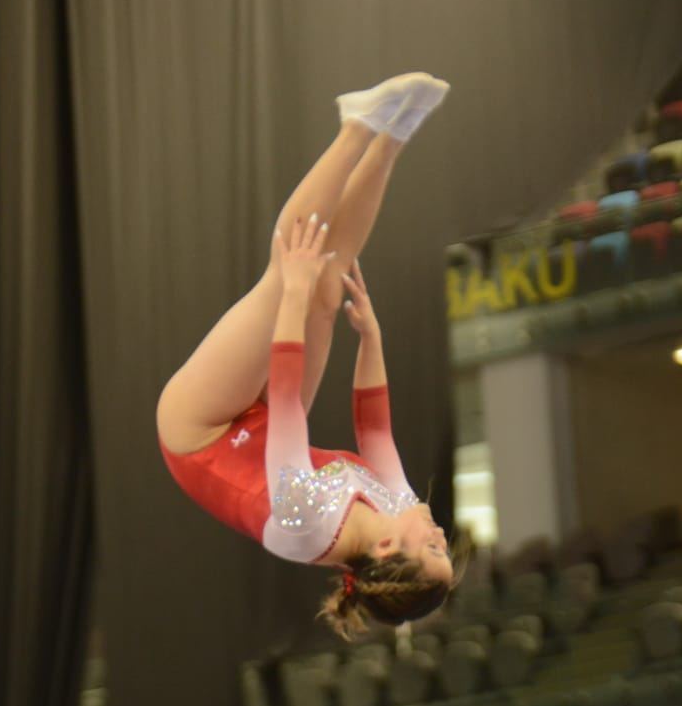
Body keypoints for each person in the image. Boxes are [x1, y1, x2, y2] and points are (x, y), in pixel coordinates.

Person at [157, 72, 457, 638]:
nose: (442, 536)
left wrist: (290, 295)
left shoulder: (309, 526)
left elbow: (292, 406)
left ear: (389, 546)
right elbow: (375, 433)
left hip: (199, 433)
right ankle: (394, 134)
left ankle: (355, 126)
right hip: (263, 423)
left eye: (433, 549)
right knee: (329, 284)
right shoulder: (395, 507)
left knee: (290, 272)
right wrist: (371, 339)